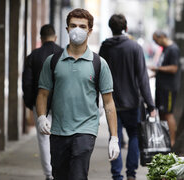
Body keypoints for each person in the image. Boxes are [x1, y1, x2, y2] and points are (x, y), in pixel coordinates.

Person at [36, 8, 120, 180]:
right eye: (73, 25)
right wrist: (41, 117)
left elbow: (109, 103)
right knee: (60, 175)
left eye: (82, 26)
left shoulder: (99, 63)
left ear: (89, 31)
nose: (77, 30)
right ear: (67, 29)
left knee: (77, 175)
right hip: (58, 130)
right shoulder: (52, 61)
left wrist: (114, 137)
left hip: (86, 130)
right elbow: (43, 94)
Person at [99, 14, 156, 180]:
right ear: (126, 28)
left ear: (111, 28)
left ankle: (117, 175)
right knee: (134, 137)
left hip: (112, 104)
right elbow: (143, 78)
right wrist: (150, 104)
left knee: (114, 138)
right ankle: (131, 173)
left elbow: (98, 73)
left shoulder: (105, 47)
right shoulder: (135, 48)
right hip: (132, 103)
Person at [22, 24, 63, 180]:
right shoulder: (62, 53)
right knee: (60, 137)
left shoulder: (33, 56)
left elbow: (27, 82)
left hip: (40, 103)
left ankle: (49, 174)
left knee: (43, 139)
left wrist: (30, 103)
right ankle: (59, 170)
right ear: (55, 37)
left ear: (41, 38)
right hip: (59, 102)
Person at [149, 30, 181, 147]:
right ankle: (165, 140)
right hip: (161, 87)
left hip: (169, 88)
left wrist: (157, 69)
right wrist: (154, 74)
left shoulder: (173, 49)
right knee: (162, 113)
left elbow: (173, 68)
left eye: (155, 39)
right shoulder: (165, 49)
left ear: (162, 37)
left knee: (168, 114)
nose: (155, 42)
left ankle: (172, 142)